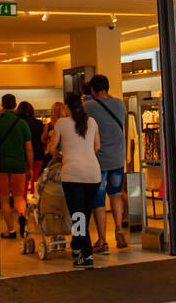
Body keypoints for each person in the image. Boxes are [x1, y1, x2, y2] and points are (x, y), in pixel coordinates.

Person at [49, 93, 102, 267]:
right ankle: (77, 246)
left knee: (78, 216)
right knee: (83, 214)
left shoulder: (61, 123)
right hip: (93, 174)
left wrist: (60, 154)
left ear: (66, 107)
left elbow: (52, 148)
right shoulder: (92, 122)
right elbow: (97, 146)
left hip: (72, 174)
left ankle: (85, 254)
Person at [84, 74, 128, 251]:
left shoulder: (88, 106)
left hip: (99, 161)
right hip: (118, 158)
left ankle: (102, 240)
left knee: (99, 200)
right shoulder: (120, 104)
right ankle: (118, 228)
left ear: (92, 89)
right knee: (116, 194)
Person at [0, 93, 33, 239]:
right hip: (18, 165)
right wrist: (30, 167)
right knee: (19, 196)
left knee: (4, 199)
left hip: (1, 165)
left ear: (2, 106)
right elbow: (29, 148)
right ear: (15, 105)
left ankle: (10, 230)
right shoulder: (22, 123)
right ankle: (22, 215)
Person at [17, 100, 45, 191]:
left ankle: (23, 202)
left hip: (23, 156)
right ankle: (35, 201)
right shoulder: (39, 124)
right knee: (36, 181)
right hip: (38, 155)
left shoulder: (19, 124)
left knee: (22, 183)